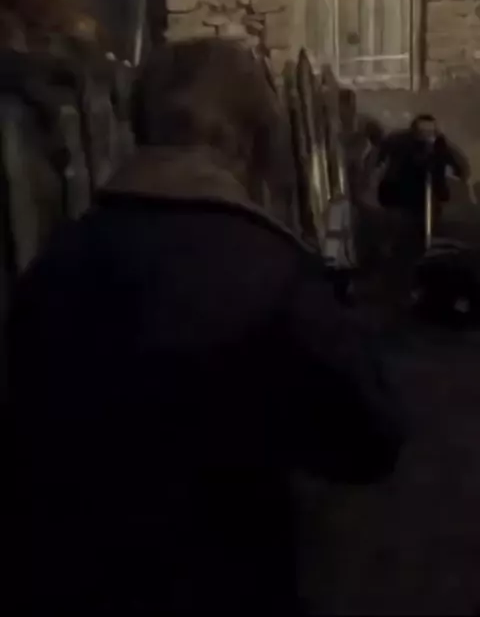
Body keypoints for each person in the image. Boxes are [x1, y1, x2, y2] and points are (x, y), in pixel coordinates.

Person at [6, 38, 403, 616]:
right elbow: (369, 440)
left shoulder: (58, 262)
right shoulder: (271, 271)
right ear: (248, 139)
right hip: (223, 585)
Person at [376, 114, 470, 250]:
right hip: (400, 192)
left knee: (423, 223)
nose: (426, 137)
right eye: (422, 132)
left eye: (430, 133)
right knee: (401, 225)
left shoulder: (440, 145)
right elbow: (380, 156)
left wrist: (459, 173)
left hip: (426, 194)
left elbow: (460, 165)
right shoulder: (397, 141)